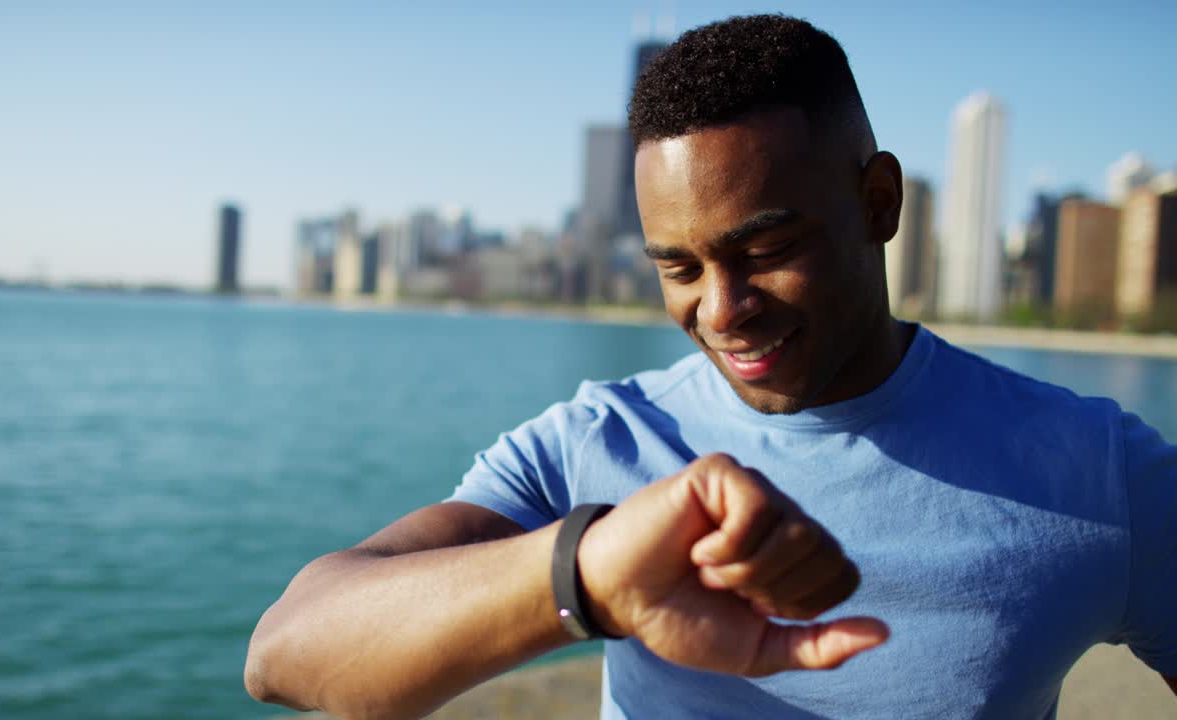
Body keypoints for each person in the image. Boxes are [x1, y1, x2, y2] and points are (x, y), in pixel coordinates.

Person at [245, 14, 1177, 719]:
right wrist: (591, 574)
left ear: (878, 202)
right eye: (679, 268)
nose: (722, 309)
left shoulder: (1097, 468)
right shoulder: (596, 441)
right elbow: (288, 652)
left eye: (767, 250)